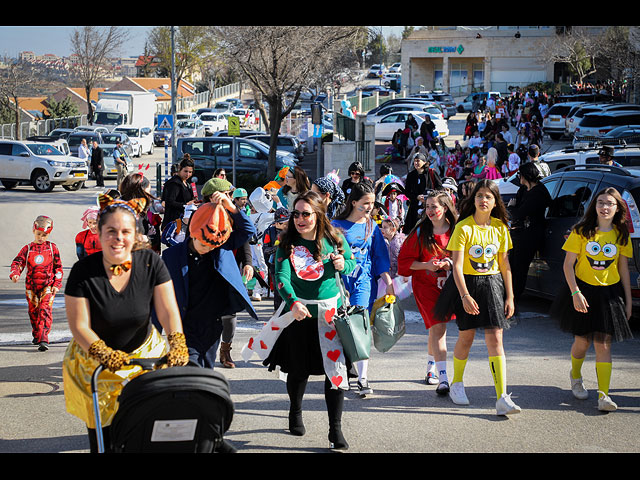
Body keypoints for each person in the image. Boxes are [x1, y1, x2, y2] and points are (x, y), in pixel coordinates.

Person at [62, 194, 189, 453]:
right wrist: (104, 354)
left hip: (145, 357)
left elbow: (167, 309)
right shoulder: (82, 272)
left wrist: (177, 342)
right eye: (111, 231)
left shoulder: (151, 263)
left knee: (147, 435)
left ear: (134, 235)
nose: (118, 238)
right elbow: (79, 325)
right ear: (98, 233)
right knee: (105, 439)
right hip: (97, 362)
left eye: (125, 232)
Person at [256, 191, 356, 450]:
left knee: (335, 373)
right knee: (298, 371)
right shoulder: (286, 242)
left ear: (318, 214)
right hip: (299, 314)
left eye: (306, 214)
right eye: (296, 214)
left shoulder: (334, 238)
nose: (300, 219)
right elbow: (281, 277)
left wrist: (342, 263)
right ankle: (295, 411)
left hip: (330, 316)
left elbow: (352, 263)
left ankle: (335, 430)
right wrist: (293, 302)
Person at [432, 179, 521, 416]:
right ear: (474, 200)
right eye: (480, 195)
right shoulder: (464, 227)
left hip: (493, 285)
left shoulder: (501, 227)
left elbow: (504, 264)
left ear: (495, 202)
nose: (484, 200)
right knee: (466, 337)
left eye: (489, 197)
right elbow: (457, 267)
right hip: (467, 285)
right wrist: (464, 295)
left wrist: (510, 296)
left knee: (496, 339)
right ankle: (457, 383)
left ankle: (502, 396)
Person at [550, 187, 633, 412]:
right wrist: (575, 293)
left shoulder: (621, 234)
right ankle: (575, 376)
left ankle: (604, 396)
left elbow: (623, 268)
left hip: (610, 293)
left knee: (603, 343)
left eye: (610, 204)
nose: (605, 207)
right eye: (601, 203)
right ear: (594, 206)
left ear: (617, 209)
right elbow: (568, 265)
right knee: (582, 342)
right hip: (582, 291)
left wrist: (627, 299)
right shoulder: (581, 231)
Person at [162, 192, 258, 371]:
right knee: (190, 366)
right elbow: (160, 293)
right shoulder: (171, 256)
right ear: (193, 233)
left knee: (206, 369)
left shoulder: (221, 248)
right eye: (204, 245)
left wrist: (231, 207)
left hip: (213, 322)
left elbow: (248, 231)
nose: (209, 248)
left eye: (213, 245)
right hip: (184, 322)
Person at [332, 182, 395, 396]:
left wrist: (388, 282)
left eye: (372, 203)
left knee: (361, 327)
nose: (369, 207)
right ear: (353, 202)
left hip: (364, 281)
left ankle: (362, 377)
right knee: (341, 327)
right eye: (365, 203)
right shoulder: (336, 225)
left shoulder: (372, 227)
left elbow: (379, 257)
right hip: (340, 282)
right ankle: (344, 369)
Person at [398, 191, 457, 394]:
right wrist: (426, 265)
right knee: (439, 328)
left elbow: (466, 257)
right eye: (428, 206)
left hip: (451, 287)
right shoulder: (420, 232)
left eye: (434, 206)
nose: (430, 211)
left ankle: (431, 367)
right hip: (425, 287)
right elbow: (405, 262)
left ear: (445, 207)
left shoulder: (458, 230)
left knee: (435, 329)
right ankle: (443, 379)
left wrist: (449, 263)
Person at [10, 215, 63, 352]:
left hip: (48, 286)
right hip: (31, 287)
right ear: (33, 231)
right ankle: (37, 333)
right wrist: (15, 273)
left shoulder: (52, 248)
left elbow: (58, 268)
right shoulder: (28, 249)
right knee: (33, 312)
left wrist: (56, 284)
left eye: (44, 235)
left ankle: (44, 338)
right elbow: (18, 262)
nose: (41, 237)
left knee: (44, 310)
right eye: (39, 234)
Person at [507, 162, 552, 305]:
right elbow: (518, 211)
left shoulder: (539, 192)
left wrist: (512, 209)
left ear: (526, 175)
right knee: (511, 266)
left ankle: (514, 300)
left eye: (520, 175)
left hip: (531, 235)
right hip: (519, 234)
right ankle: (508, 297)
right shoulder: (523, 190)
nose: (519, 177)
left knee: (520, 269)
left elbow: (519, 212)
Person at [120, 172, 162, 252]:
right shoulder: (125, 213)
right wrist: (145, 238)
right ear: (140, 191)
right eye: (148, 192)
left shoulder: (141, 211)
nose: (149, 196)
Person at [404, 153, 443, 234]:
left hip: (429, 206)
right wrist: (417, 197)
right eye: (414, 161)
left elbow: (440, 188)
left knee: (428, 229)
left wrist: (430, 196)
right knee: (412, 230)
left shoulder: (431, 173)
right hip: (415, 207)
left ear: (424, 162)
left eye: (418, 161)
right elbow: (407, 192)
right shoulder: (411, 175)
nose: (416, 163)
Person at [262, 207, 290, 311]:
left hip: (291, 264)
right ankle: (278, 313)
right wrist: (278, 247)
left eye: (288, 221)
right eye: (284, 223)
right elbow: (265, 249)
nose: (286, 225)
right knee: (279, 291)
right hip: (275, 265)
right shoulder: (269, 232)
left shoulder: (292, 231)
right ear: (277, 223)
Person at [161, 155, 195, 230]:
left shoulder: (186, 183)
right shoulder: (174, 184)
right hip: (174, 222)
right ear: (180, 169)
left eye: (190, 172)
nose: (188, 174)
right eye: (185, 171)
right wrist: (185, 205)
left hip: (183, 221)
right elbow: (169, 202)